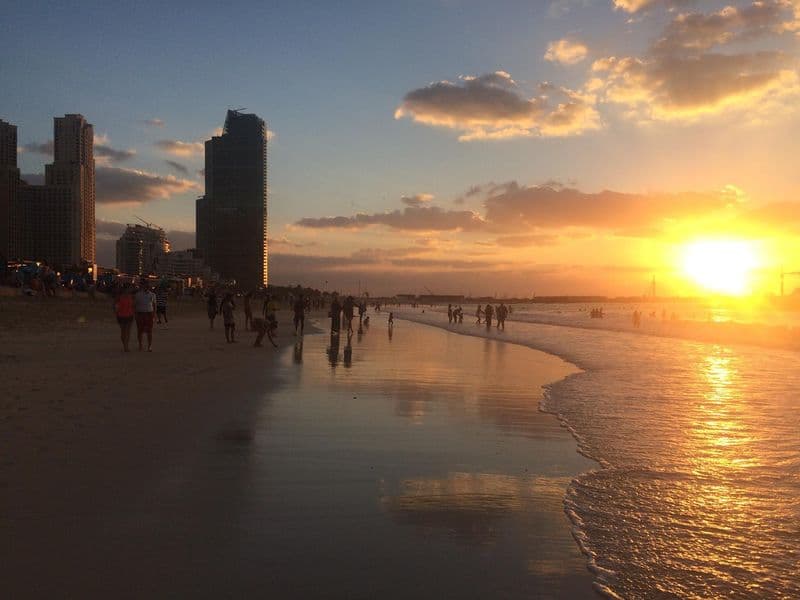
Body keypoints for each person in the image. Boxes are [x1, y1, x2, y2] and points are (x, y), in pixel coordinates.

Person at [134, 280, 156, 352]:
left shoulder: (152, 295)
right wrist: (136, 315)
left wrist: (154, 315)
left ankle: (149, 346)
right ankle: (140, 344)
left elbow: (154, 305)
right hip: (140, 313)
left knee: (149, 331)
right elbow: (135, 305)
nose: (146, 287)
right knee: (140, 330)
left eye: (147, 286)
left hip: (149, 313)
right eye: (145, 285)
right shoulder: (138, 295)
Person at [114, 284, 135, 352]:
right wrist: (116, 312)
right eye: (129, 289)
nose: (130, 290)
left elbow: (133, 306)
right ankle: (125, 346)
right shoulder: (120, 297)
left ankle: (126, 346)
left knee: (127, 332)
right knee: (123, 331)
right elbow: (115, 306)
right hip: (121, 315)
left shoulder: (131, 296)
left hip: (129, 315)